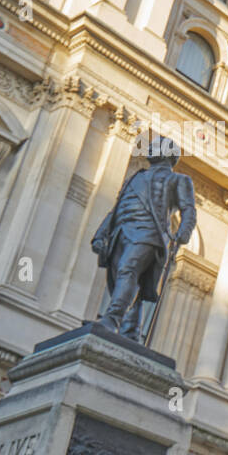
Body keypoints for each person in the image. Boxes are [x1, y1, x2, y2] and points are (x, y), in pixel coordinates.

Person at [91, 135, 197, 342]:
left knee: (127, 269)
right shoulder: (136, 177)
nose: (150, 149)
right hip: (121, 232)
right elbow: (116, 209)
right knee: (121, 280)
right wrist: (100, 235)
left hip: (150, 232)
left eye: (155, 146)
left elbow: (188, 210)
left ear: (168, 153)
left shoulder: (179, 180)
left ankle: (111, 319)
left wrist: (183, 232)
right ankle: (131, 331)